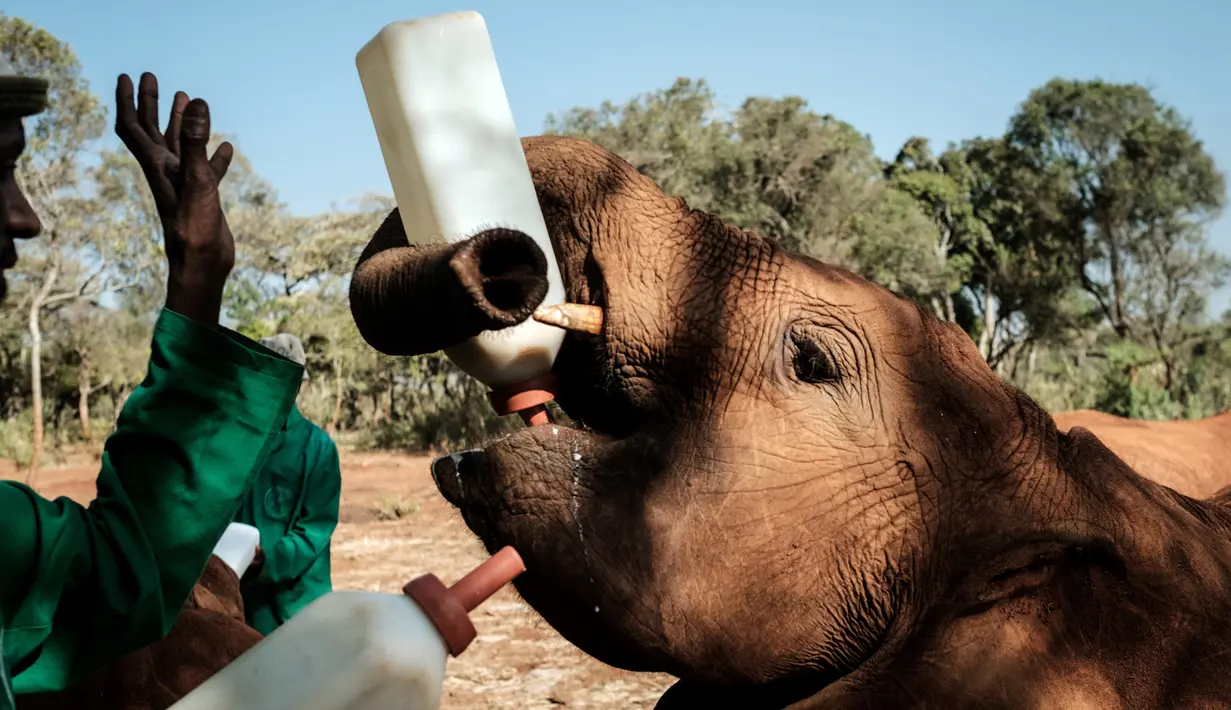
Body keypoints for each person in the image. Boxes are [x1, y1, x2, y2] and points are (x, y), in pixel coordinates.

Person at [0, 63, 305, 707]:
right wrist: (197, 279)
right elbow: (117, 579)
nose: (26, 218)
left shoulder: (317, 452)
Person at [233, 333, 342, 635]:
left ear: (298, 386)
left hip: (296, 606)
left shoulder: (317, 448)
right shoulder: (236, 442)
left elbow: (316, 528)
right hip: (237, 599)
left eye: (286, 381)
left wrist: (269, 559)